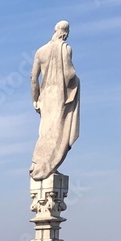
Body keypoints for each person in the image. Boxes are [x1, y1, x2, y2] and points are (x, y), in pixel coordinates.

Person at [30, 21, 80, 181]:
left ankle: (39, 165)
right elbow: (69, 75)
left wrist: (35, 99)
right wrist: (77, 82)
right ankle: (45, 166)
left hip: (45, 96)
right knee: (57, 132)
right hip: (59, 95)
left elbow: (33, 78)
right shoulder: (66, 49)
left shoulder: (40, 51)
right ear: (65, 33)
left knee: (45, 131)